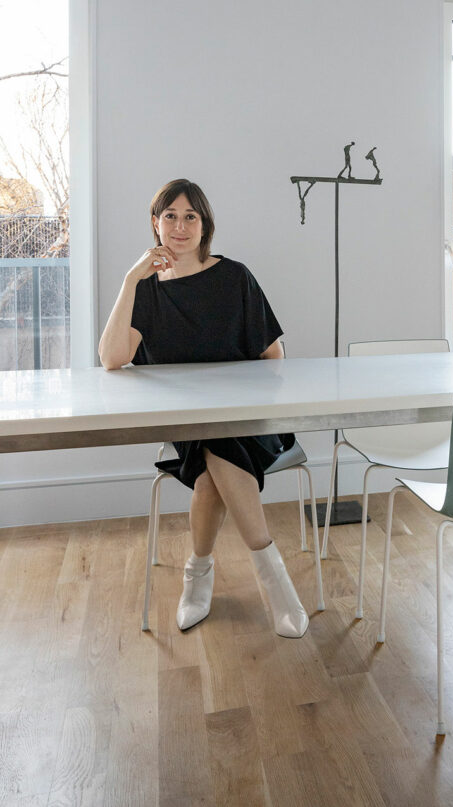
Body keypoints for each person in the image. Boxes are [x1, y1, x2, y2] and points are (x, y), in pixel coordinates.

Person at [99, 178, 309, 637]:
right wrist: (131, 279)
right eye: (169, 215)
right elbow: (111, 359)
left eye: (190, 216)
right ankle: (275, 585)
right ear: (155, 224)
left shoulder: (235, 277)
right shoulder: (149, 291)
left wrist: (243, 400)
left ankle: (199, 573)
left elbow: (274, 361)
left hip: (252, 419)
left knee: (219, 447)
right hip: (189, 424)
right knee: (213, 438)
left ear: (204, 224)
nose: (179, 225)